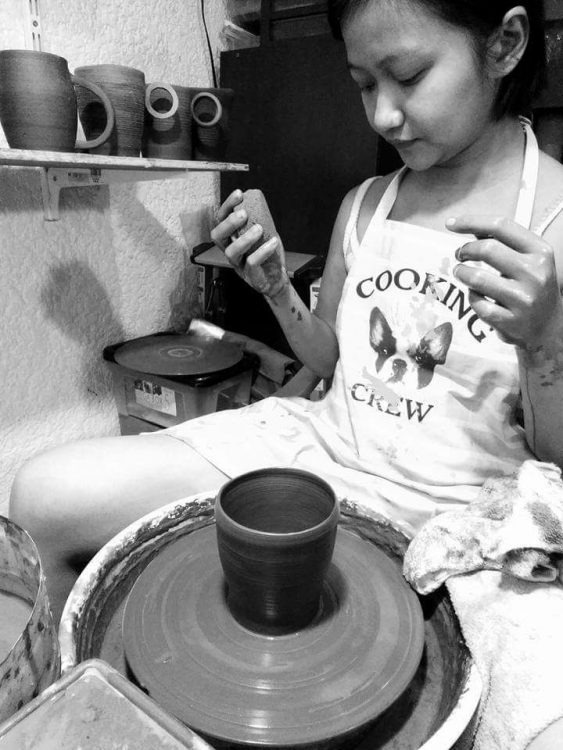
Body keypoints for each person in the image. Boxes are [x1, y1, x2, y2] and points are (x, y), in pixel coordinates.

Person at [10, 0, 563, 643]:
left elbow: (555, 460)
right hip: (322, 449)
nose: (384, 114)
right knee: (43, 496)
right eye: (363, 84)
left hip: (462, 508)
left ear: (505, 44)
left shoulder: (555, 218)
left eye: (408, 76)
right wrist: (275, 288)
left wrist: (545, 338)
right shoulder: (367, 204)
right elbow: (329, 363)